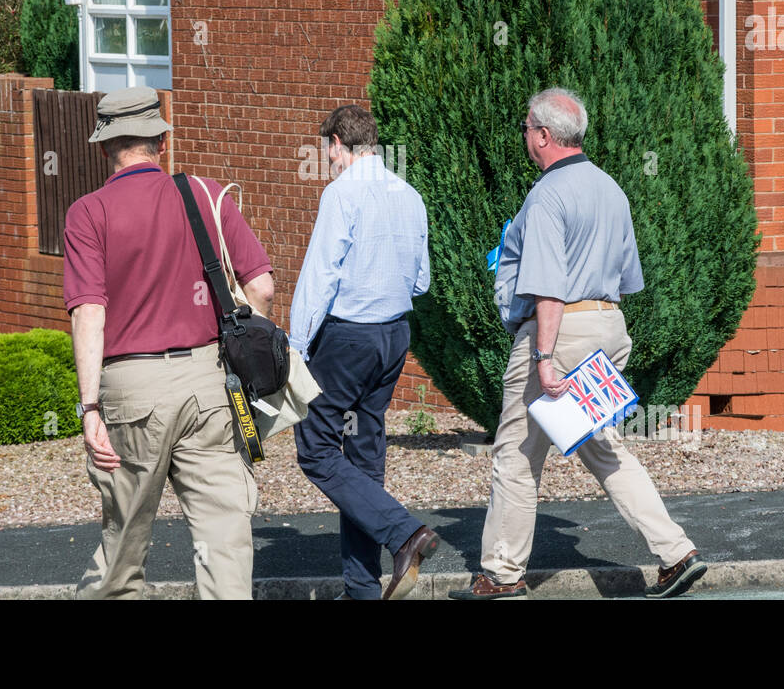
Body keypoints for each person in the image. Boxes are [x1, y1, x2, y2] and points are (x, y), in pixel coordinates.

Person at [449, 88, 707, 600]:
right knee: (603, 448)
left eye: (526, 129)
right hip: (608, 326)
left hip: (559, 332)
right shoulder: (611, 189)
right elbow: (626, 277)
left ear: (544, 136)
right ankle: (676, 552)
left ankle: (501, 575)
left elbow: (548, 286)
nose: (524, 136)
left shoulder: (546, 195)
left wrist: (543, 358)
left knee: (517, 455)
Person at [63, 86, 275, 599]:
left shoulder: (88, 213)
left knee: (126, 541)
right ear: (160, 140)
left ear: (103, 148)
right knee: (224, 536)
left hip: (132, 390)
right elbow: (262, 286)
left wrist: (89, 405)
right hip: (209, 384)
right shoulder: (205, 195)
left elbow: (90, 312)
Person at [289, 104, 439, 600]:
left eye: (327, 150)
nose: (328, 160)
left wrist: (295, 346)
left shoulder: (340, 194)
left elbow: (319, 278)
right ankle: (361, 588)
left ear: (337, 144)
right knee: (364, 455)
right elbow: (421, 281)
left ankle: (403, 533)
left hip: (347, 338)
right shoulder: (410, 194)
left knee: (314, 448)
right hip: (394, 336)